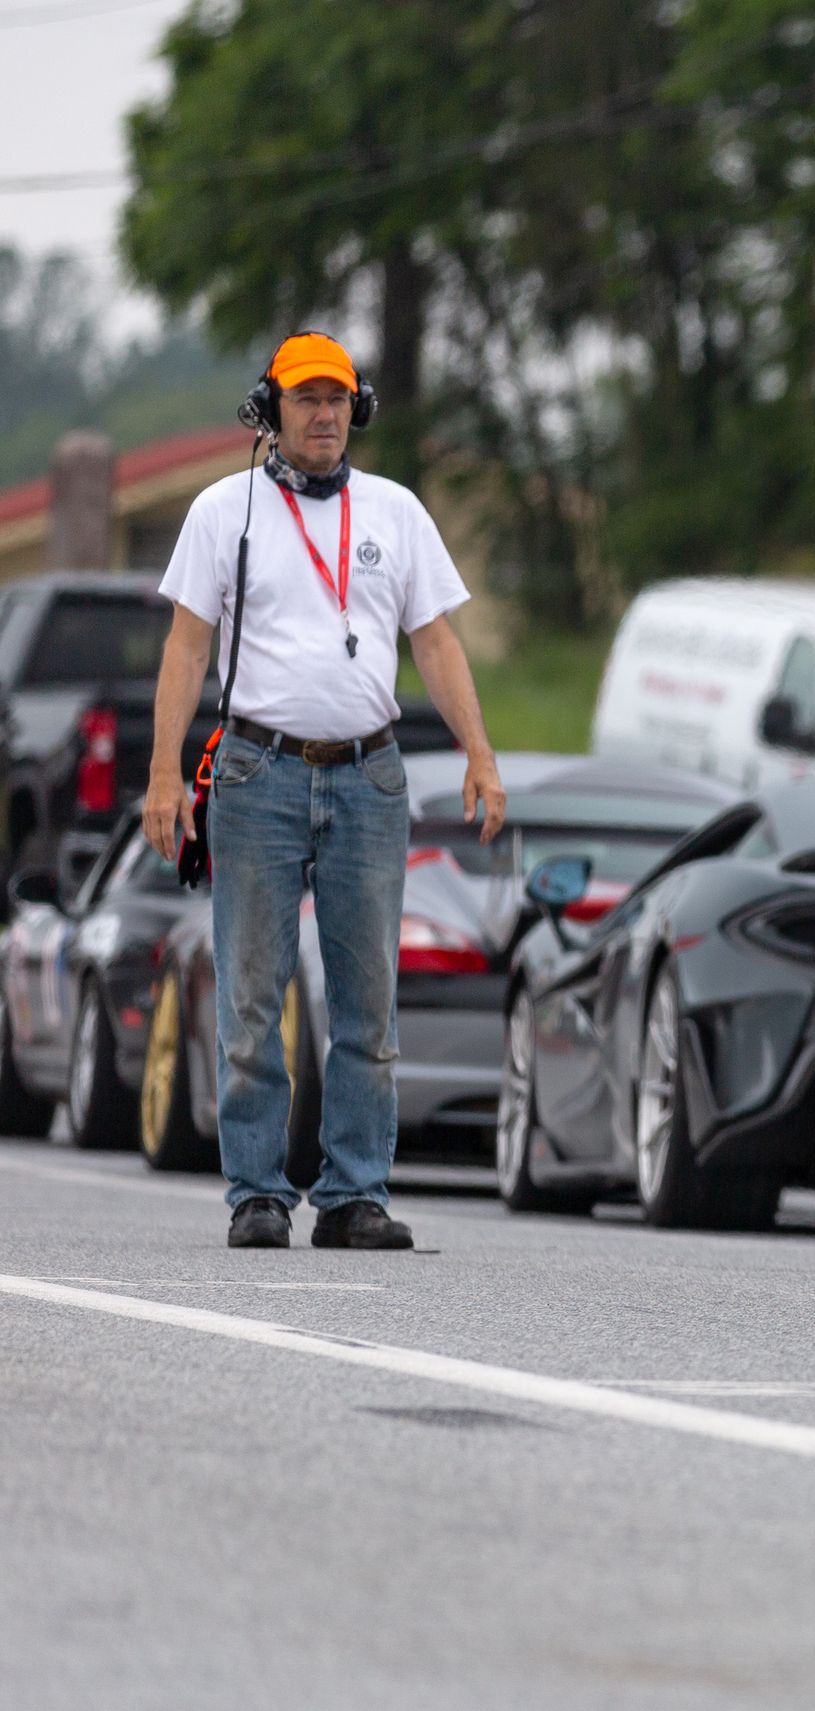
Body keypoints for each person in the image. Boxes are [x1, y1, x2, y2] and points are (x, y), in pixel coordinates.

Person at [141, 332, 506, 1251]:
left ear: (360, 408)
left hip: (370, 775)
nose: (324, 415)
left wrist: (480, 754)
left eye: (338, 399)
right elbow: (186, 649)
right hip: (258, 772)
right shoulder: (228, 510)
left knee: (367, 1000)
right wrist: (163, 774)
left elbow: (437, 643)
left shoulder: (396, 511)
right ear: (270, 410)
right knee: (253, 995)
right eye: (305, 399)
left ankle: (354, 1194)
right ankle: (257, 1191)